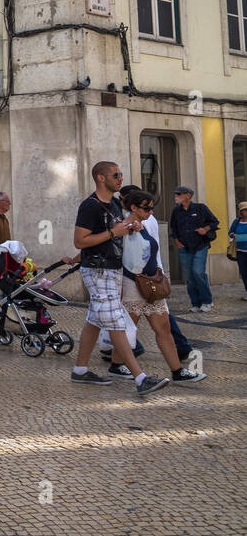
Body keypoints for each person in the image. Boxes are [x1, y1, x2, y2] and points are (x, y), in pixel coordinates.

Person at [68, 160, 169, 395]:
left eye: (121, 174)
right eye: (116, 175)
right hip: (97, 269)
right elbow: (80, 241)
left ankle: (80, 370)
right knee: (115, 321)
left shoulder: (114, 204)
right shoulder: (90, 206)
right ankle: (140, 378)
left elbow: (116, 231)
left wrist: (128, 228)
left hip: (113, 269)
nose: (120, 178)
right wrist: (114, 232)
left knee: (94, 320)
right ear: (101, 178)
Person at [117, 188, 206, 385]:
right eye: (146, 208)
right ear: (133, 207)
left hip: (151, 282)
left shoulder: (143, 223)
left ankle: (177, 371)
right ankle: (116, 364)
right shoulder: (123, 226)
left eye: (152, 208)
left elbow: (151, 249)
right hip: (133, 283)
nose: (151, 212)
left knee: (164, 328)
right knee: (126, 330)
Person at [170, 186, 219, 312]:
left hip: (200, 246)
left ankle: (207, 301)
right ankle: (195, 303)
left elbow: (214, 222)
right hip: (184, 247)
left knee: (198, 272)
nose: (176, 196)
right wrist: (177, 242)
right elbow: (173, 228)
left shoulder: (200, 208)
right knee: (189, 276)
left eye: (178, 194)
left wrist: (205, 229)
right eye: (175, 194)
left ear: (188, 195)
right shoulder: (176, 211)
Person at [230, 201, 247, 300]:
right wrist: (233, 235)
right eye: (244, 210)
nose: (246, 212)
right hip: (240, 252)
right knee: (244, 273)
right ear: (241, 212)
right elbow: (230, 232)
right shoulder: (236, 222)